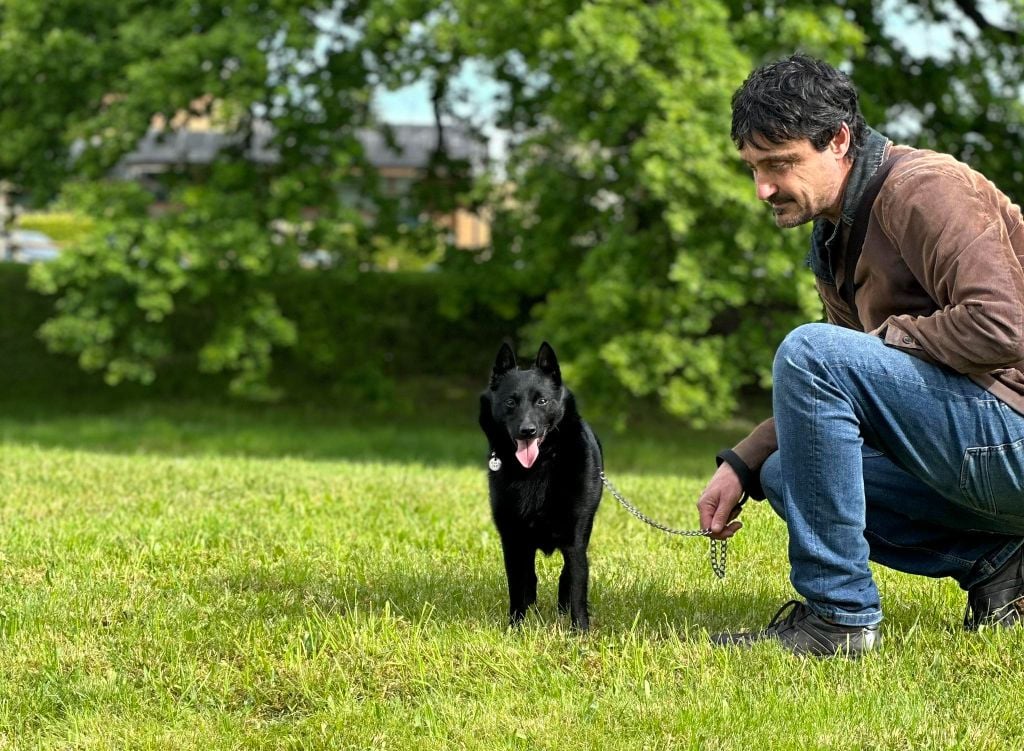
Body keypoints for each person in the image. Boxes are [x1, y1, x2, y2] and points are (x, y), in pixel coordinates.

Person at [697, 53, 1024, 657]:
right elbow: (828, 387)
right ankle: (1001, 562)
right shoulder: (837, 231)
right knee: (785, 472)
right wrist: (742, 463)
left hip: (1015, 438)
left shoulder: (925, 189)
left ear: (839, 140)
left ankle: (839, 619)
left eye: (780, 164)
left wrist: (872, 346)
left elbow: (1004, 326)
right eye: (752, 167)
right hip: (985, 446)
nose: (763, 187)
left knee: (811, 350)